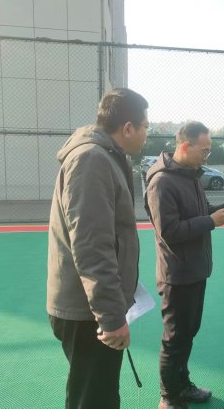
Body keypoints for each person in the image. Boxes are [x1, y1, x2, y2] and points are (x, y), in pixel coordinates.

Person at [47, 88, 149, 409]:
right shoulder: (92, 159)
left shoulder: (105, 156)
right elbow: (92, 246)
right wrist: (110, 316)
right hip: (88, 312)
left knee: (97, 394)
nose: (147, 134)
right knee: (94, 399)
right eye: (145, 126)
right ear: (128, 128)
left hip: (91, 307)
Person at [145, 121, 224, 409]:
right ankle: (169, 397)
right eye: (204, 150)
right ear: (185, 146)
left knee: (187, 334)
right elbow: (170, 231)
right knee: (174, 339)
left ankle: (182, 385)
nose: (207, 156)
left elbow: (198, 213)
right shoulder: (162, 182)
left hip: (195, 270)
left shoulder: (190, 176)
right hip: (176, 275)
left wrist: (221, 210)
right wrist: (211, 221)